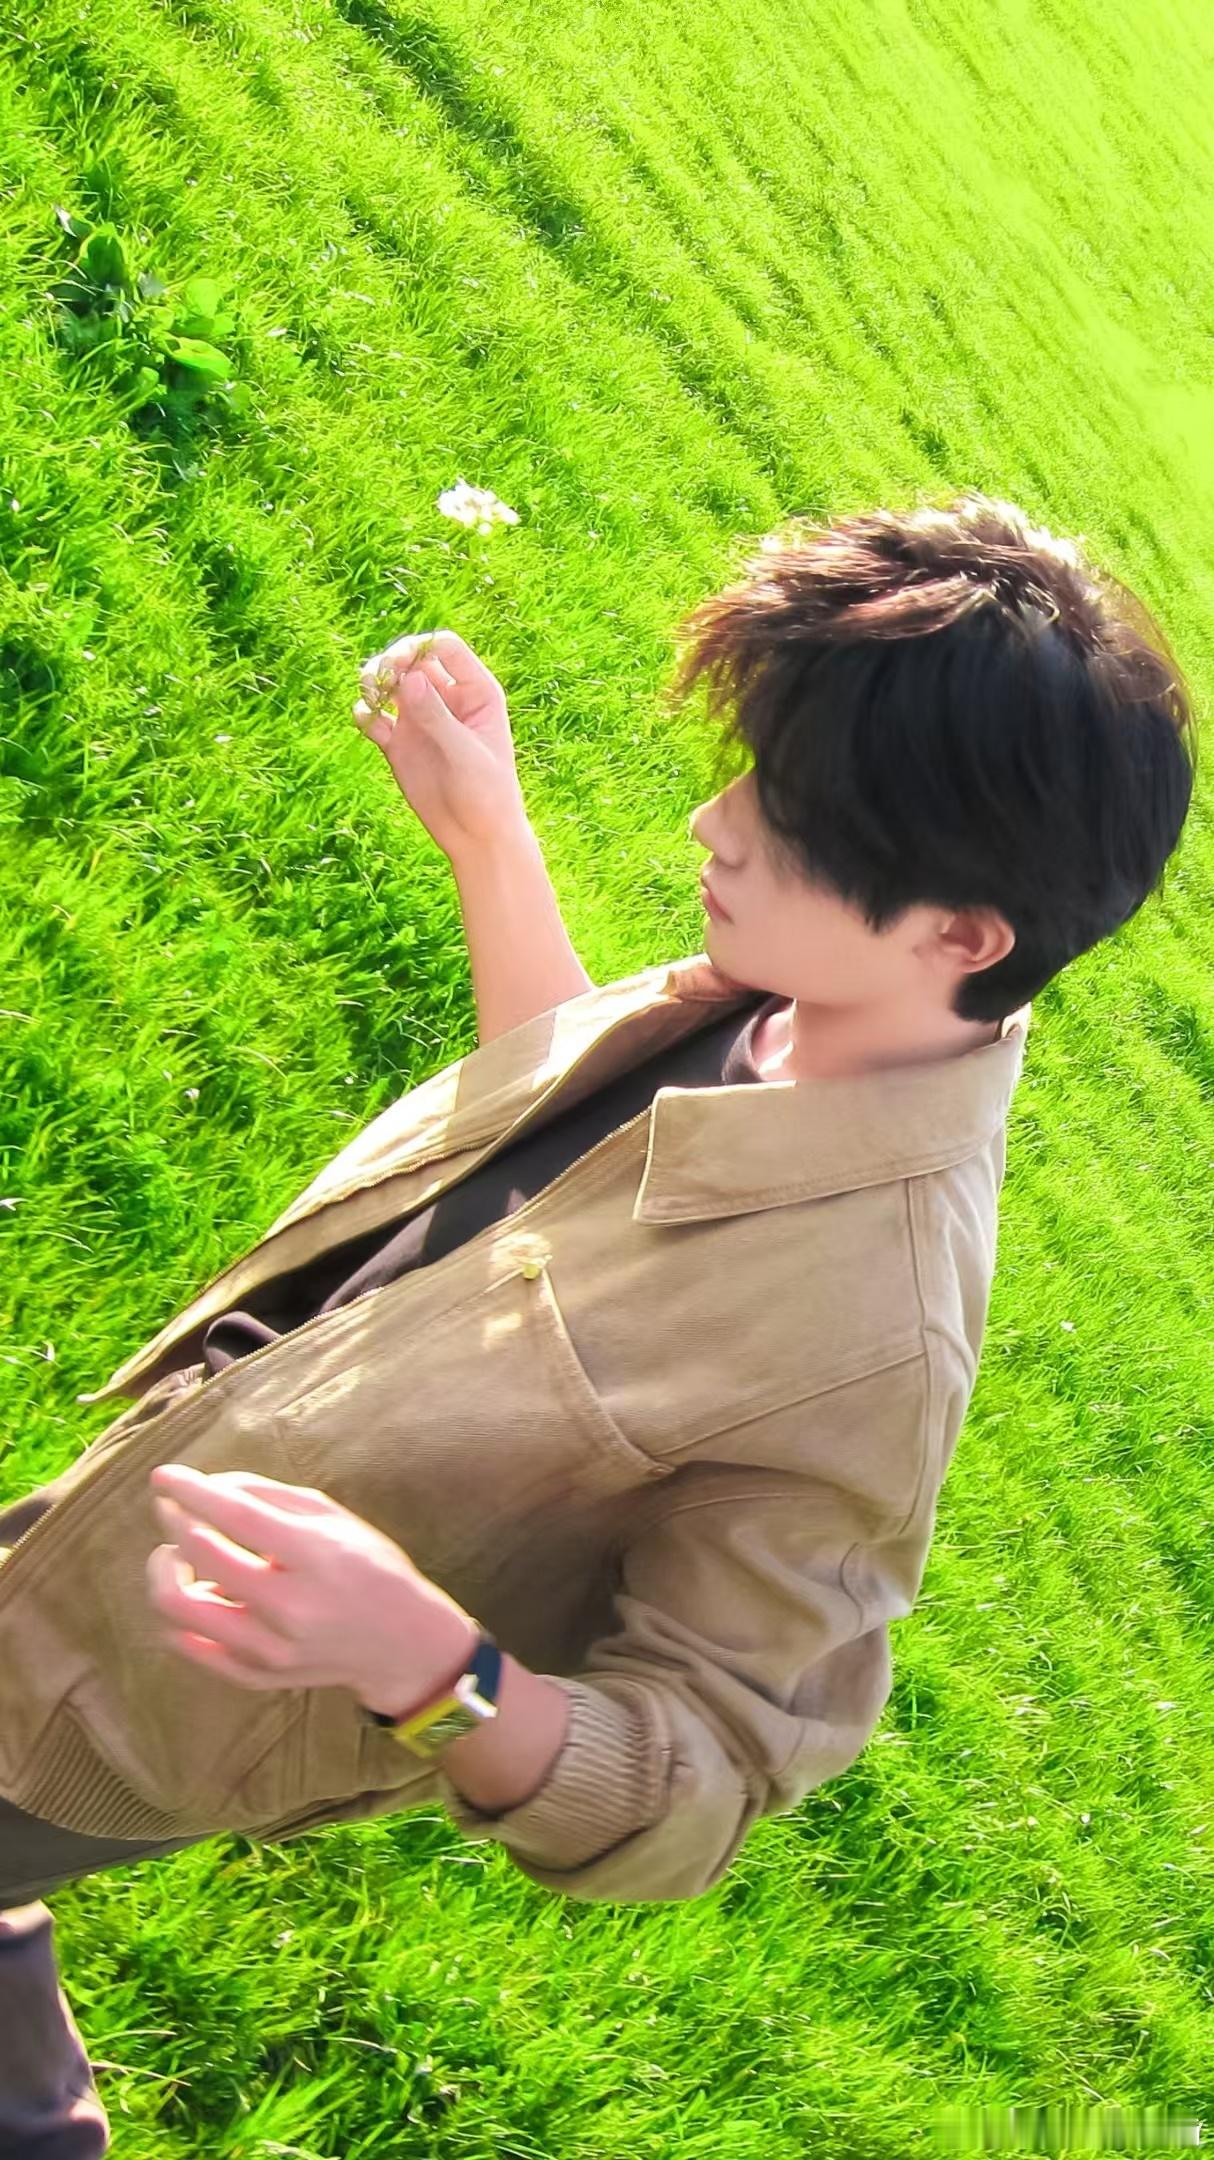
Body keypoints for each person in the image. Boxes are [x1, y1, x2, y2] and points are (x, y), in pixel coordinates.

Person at [0, 492, 1195, 2154]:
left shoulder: (871, 1343)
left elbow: (704, 1777)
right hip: (133, 1507)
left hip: (145, 1684)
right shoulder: (804, 1010)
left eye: (785, 815)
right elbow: (577, 1186)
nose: (714, 822)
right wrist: (488, 835)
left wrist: (429, 1670)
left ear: (961, 936)